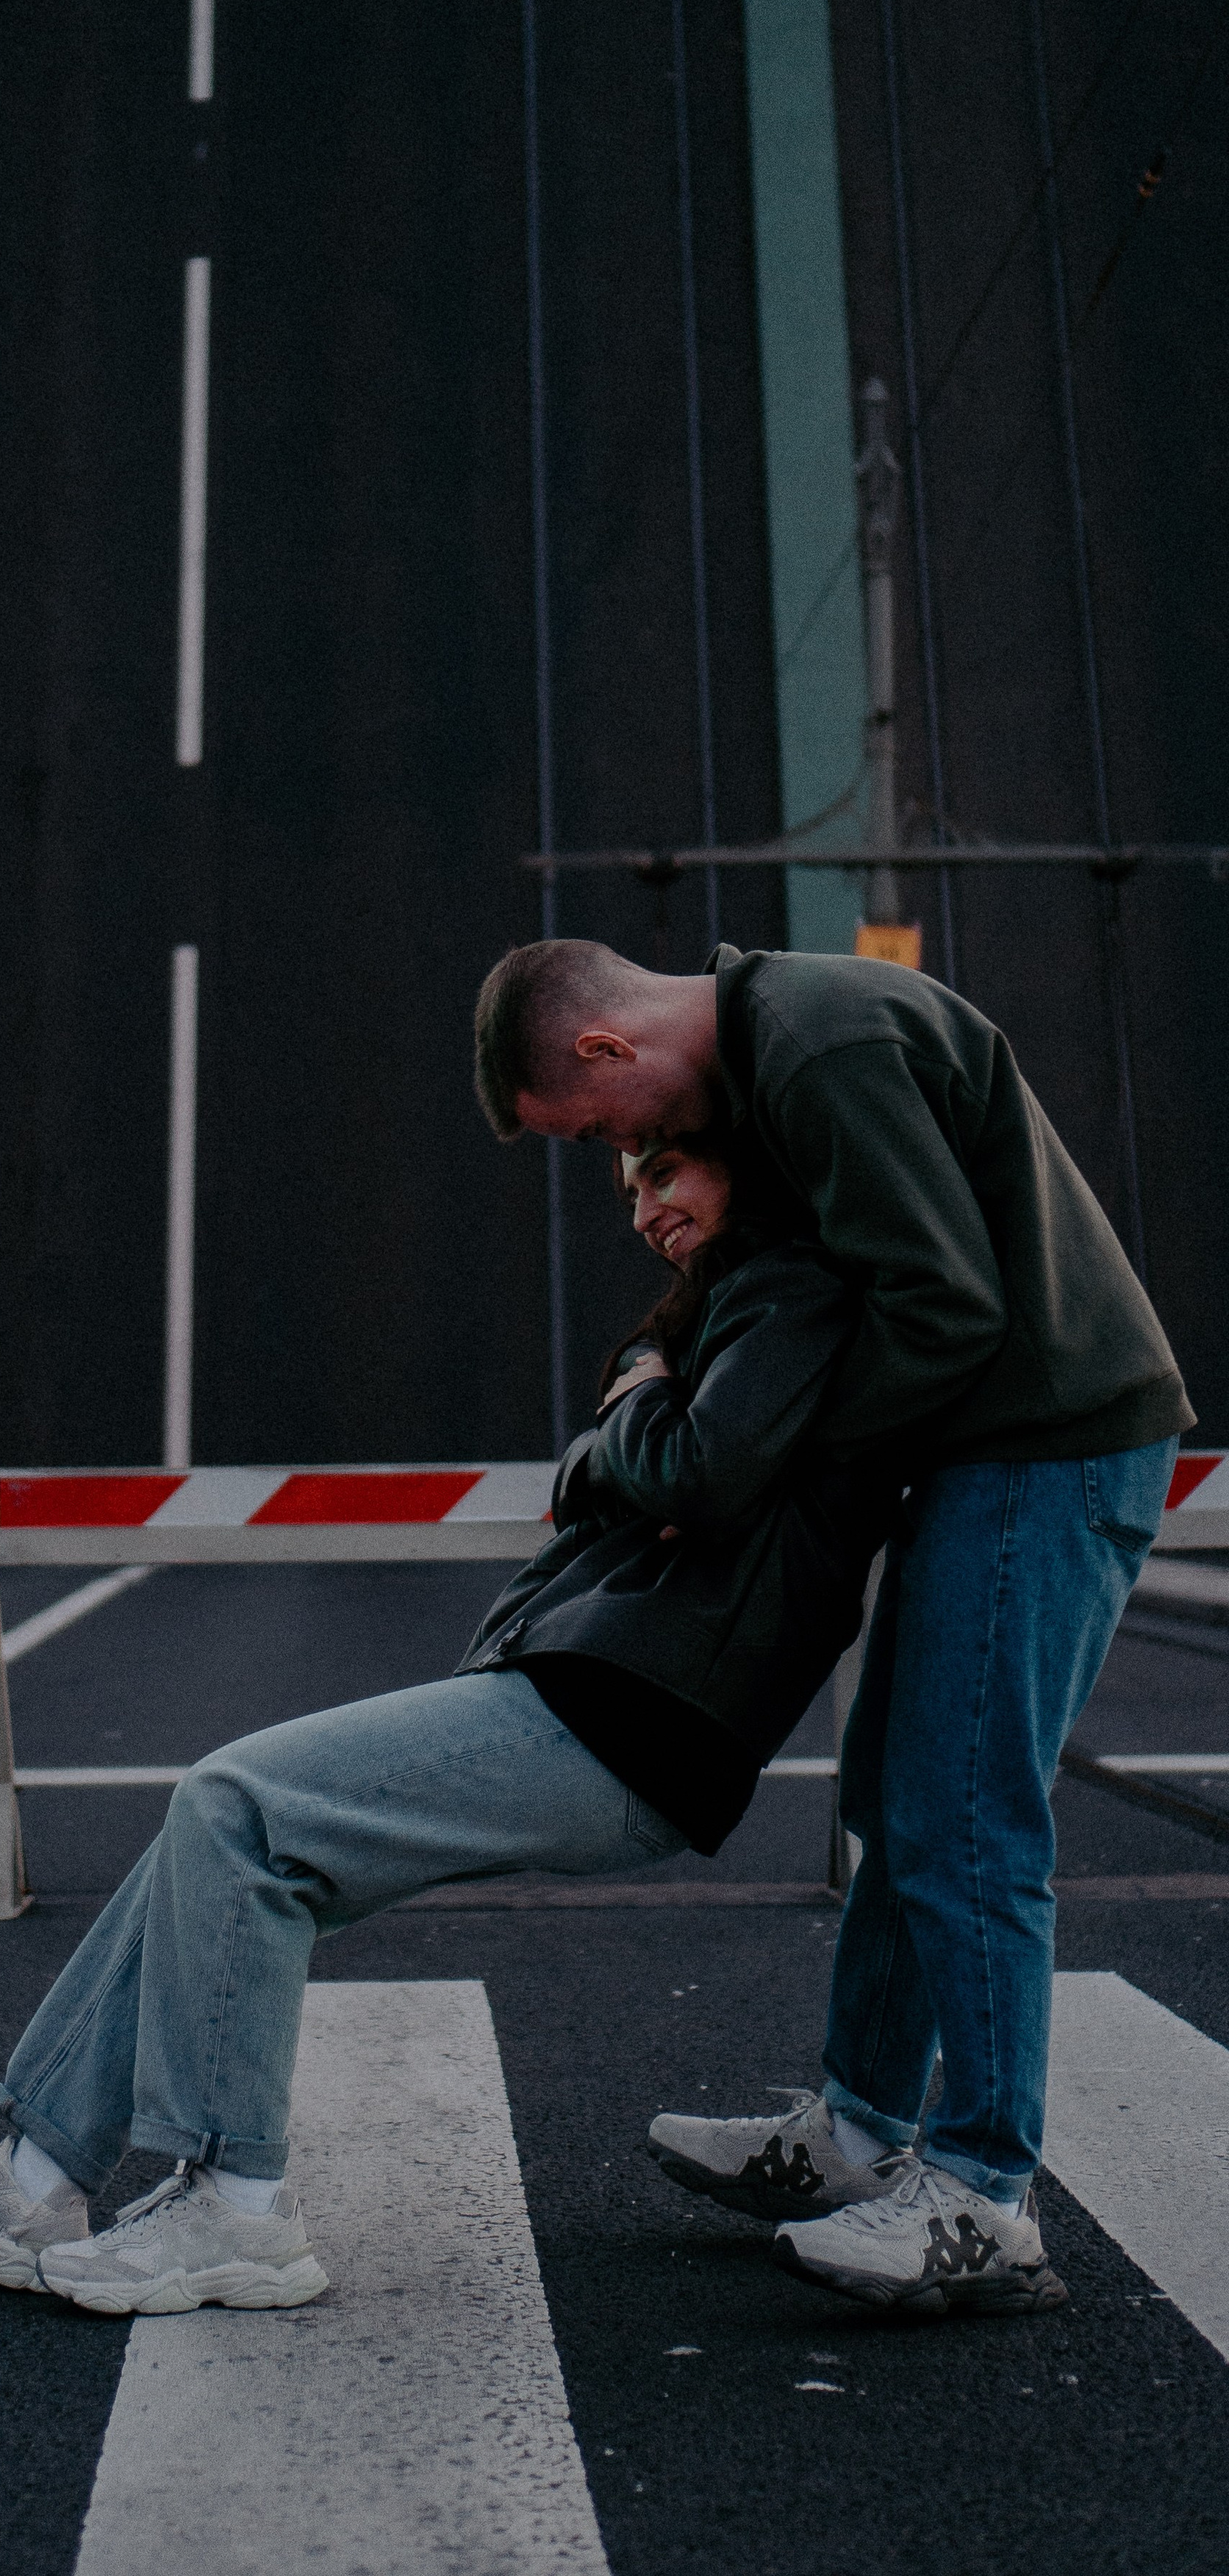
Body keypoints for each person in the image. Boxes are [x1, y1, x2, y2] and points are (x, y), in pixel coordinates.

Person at [0, 1126, 882, 2318]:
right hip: (607, 1694)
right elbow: (653, 1477)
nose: (644, 1209)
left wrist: (632, 1406)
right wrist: (637, 1423)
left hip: (638, 1711)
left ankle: (237, 2210)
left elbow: (700, 1470)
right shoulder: (734, 1306)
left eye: (664, 1173)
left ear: (745, 1159)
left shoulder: (786, 1286)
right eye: (628, 1189)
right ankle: (31, 2179)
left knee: (239, 1809)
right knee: (211, 1853)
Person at [474, 935, 1190, 2317]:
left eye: (603, 1129)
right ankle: (861, 2137)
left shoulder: (816, 1044)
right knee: (892, 1795)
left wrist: (767, 1466)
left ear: (608, 1049)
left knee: (964, 1815)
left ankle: (985, 2198)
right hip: (990, 1454)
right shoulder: (783, 1041)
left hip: (1046, 1450)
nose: (622, 1158)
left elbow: (945, 1303)